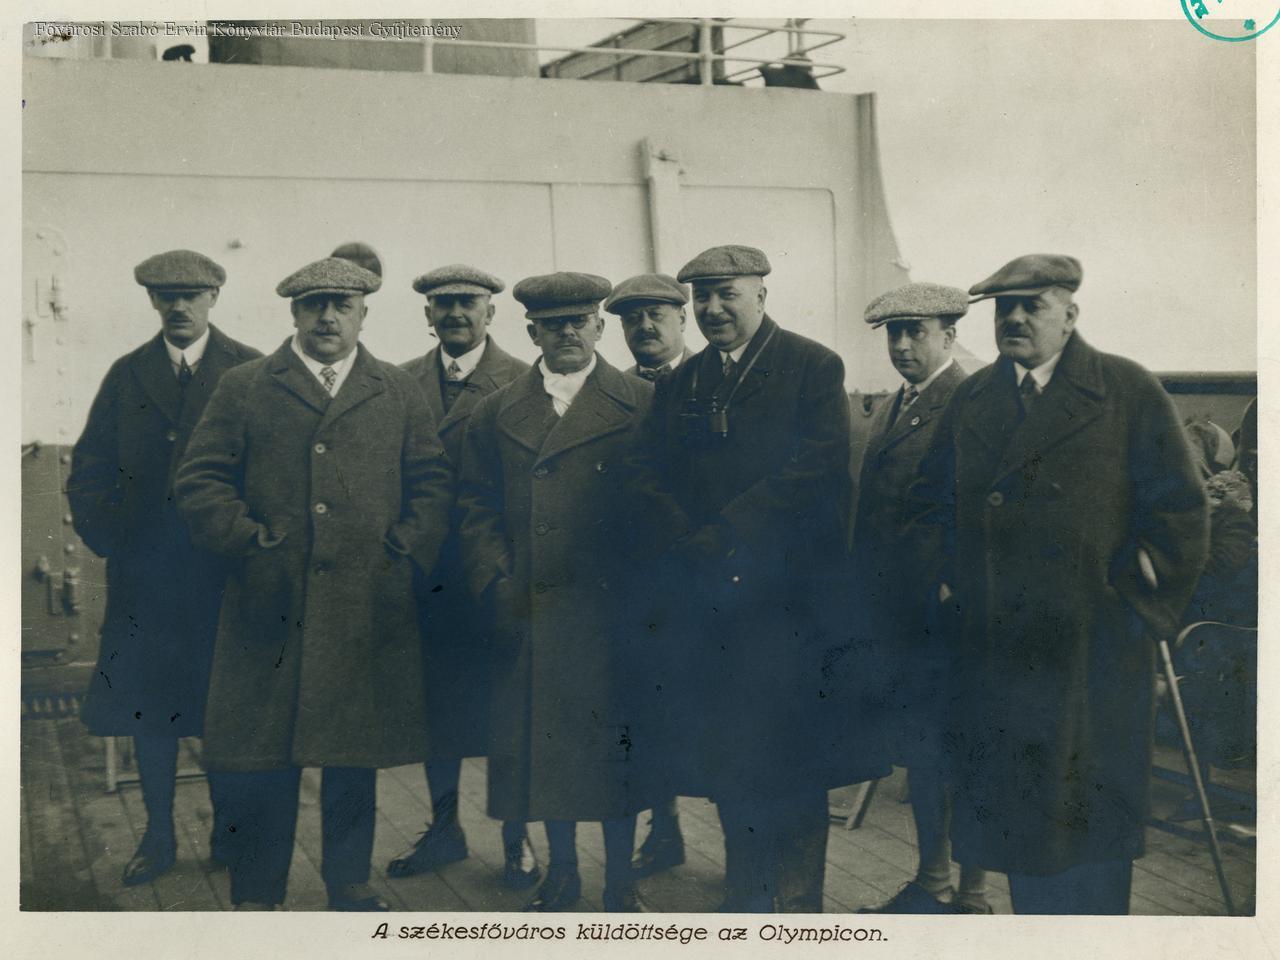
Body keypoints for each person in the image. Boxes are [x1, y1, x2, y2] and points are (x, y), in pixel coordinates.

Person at [911, 254, 1208, 914]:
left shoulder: (1126, 390)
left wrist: (1136, 608)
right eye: (1003, 308)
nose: (1014, 319)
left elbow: (1181, 513)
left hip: (1093, 651)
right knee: (1026, 834)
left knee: (1092, 831)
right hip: (999, 650)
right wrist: (950, 584)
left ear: (1070, 315)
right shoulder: (974, 397)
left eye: (1033, 306)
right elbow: (928, 502)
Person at [174, 256, 454, 911]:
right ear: (295, 313)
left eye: (341, 305)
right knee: (262, 759)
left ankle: (348, 883)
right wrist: (249, 543)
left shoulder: (396, 389)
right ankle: (257, 891)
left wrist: (402, 553)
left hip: (364, 605)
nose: (328, 317)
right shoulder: (246, 386)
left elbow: (432, 481)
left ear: (363, 314)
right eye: (314, 305)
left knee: (353, 755)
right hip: (270, 604)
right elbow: (199, 479)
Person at [638, 244, 884, 912]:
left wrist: (727, 529)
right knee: (731, 756)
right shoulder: (684, 382)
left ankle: (799, 907)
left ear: (761, 295)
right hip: (713, 603)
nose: (714, 308)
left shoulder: (811, 366)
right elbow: (648, 469)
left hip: (791, 606)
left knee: (798, 757)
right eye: (703, 297)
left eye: (728, 294)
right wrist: (687, 536)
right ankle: (746, 898)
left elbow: (818, 464)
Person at [456, 271, 675, 912]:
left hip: (615, 611)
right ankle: (563, 872)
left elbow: (668, 503)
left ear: (600, 327)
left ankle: (620, 881)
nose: (567, 334)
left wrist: (650, 588)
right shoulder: (497, 411)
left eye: (579, 322)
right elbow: (474, 504)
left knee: (617, 749)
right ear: (533, 333)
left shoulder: (641, 402)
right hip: (534, 605)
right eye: (553, 325)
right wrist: (496, 577)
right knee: (546, 746)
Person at [67, 249, 261, 887]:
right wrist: (115, 540)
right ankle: (157, 837)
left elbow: (272, 469)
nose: (179, 306)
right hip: (145, 578)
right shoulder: (127, 375)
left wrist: (250, 544)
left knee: (224, 707)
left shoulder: (251, 370)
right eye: (166, 295)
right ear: (151, 300)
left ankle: (231, 833)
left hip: (224, 577)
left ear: (213, 298)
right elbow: (89, 469)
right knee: (149, 712)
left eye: (191, 295)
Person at [388, 264, 539, 888]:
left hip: (495, 571)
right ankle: (444, 828)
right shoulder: (399, 383)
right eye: (443, 303)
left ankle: (516, 836)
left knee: (508, 707)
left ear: (490, 312)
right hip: (428, 577)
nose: (455, 313)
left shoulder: (524, 381)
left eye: (467, 302)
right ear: (427, 314)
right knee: (437, 710)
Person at [850, 282, 990, 915]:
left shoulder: (972, 400)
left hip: (951, 616)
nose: (902, 344)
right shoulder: (890, 407)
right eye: (894, 333)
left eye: (917, 332)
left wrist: (953, 580)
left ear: (949, 336)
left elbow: (980, 506)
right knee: (925, 751)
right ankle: (933, 880)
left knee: (965, 752)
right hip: (903, 614)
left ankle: (972, 893)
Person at [603, 271, 693, 878]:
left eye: (657, 313)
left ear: (682, 318)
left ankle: (744, 858)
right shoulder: (614, 392)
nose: (645, 326)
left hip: (705, 573)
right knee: (647, 710)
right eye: (631, 318)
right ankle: (666, 828)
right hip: (639, 582)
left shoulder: (711, 382)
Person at [605, 273, 695, 382]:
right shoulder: (618, 386)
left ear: (681, 320)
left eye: (655, 315)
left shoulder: (710, 373)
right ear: (623, 325)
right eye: (633, 318)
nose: (645, 326)